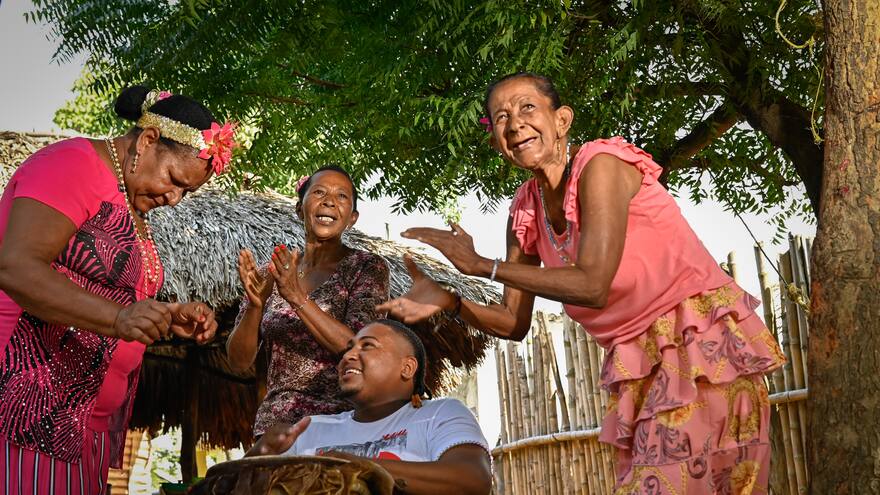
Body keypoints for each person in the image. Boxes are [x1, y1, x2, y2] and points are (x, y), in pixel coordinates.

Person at [380, 72, 786, 494]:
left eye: (527, 108)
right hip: (638, 366)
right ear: (496, 141)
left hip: (697, 347)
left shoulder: (601, 165)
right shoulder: (525, 209)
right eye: (501, 117)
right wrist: (451, 301)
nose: (515, 124)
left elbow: (593, 284)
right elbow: (512, 322)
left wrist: (482, 266)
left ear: (562, 120)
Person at [0, 86, 231, 492]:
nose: (175, 198)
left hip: (83, 423)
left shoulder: (128, 200)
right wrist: (120, 318)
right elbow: (16, 267)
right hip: (29, 406)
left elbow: (105, 293)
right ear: (147, 141)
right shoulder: (73, 164)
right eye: (174, 179)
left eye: (187, 192)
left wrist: (164, 315)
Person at [227, 165, 390, 437]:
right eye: (319, 192)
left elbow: (359, 347)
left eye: (342, 196)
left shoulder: (366, 268)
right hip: (276, 429)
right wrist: (255, 307)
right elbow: (238, 361)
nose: (329, 201)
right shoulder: (274, 273)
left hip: (341, 424)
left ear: (352, 218)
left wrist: (296, 296)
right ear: (299, 209)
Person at [247, 319, 492, 495]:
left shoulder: (439, 414)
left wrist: (357, 467)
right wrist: (257, 457)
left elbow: (473, 480)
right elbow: (234, 487)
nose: (348, 356)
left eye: (367, 346)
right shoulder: (308, 430)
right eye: (348, 349)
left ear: (407, 368)